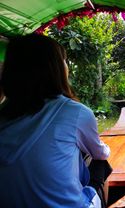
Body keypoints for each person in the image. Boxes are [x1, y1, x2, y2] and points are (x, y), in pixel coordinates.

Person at [0, 34, 111, 208]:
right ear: (56, 69)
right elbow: (100, 154)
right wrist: (105, 148)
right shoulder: (76, 112)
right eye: (64, 60)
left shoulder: (3, 112)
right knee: (102, 163)